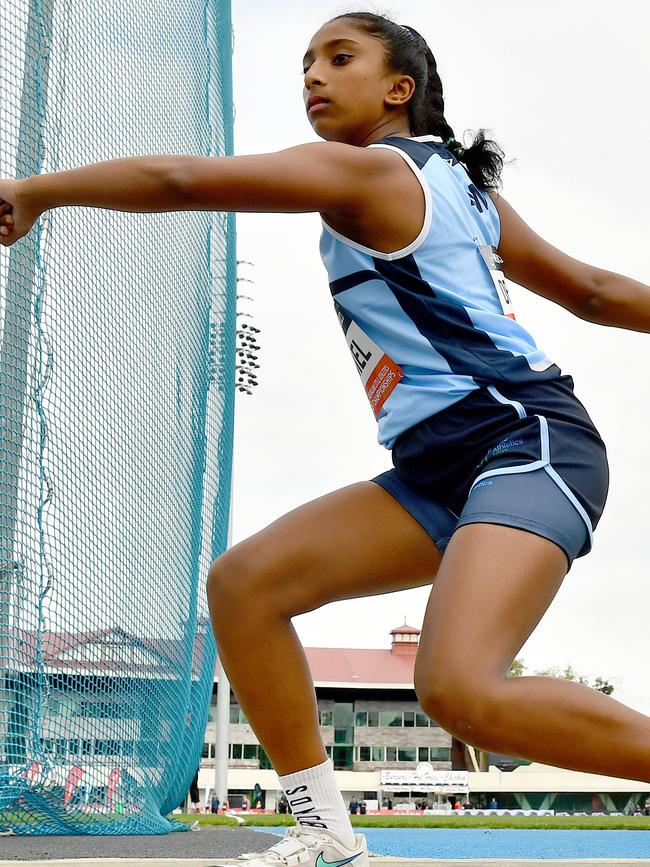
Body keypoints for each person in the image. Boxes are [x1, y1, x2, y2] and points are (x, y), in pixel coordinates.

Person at [1, 10, 648, 867]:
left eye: (339, 58)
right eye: (305, 61)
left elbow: (184, 180)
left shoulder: (372, 176)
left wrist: (39, 191)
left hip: (525, 443)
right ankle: (325, 827)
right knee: (245, 586)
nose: (312, 74)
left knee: (459, 688)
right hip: (435, 469)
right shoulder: (462, 188)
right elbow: (596, 292)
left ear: (398, 89)